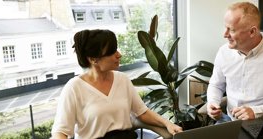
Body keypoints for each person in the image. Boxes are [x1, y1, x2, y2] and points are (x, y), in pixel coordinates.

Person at [51, 29, 182, 139]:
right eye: (112, 52)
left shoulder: (123, 80)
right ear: (93, 59)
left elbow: (142, 112)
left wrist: (168, 124)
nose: (119, 55)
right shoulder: (74, 88)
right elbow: (60, 132)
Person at [206, 2, 263, 122]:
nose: (225, 34)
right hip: (228, 121)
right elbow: (216, 85)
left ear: (252, 32)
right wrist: (212, 102)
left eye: (232, 30)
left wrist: (256, 112)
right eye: (225, 27)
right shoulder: (223, 52)